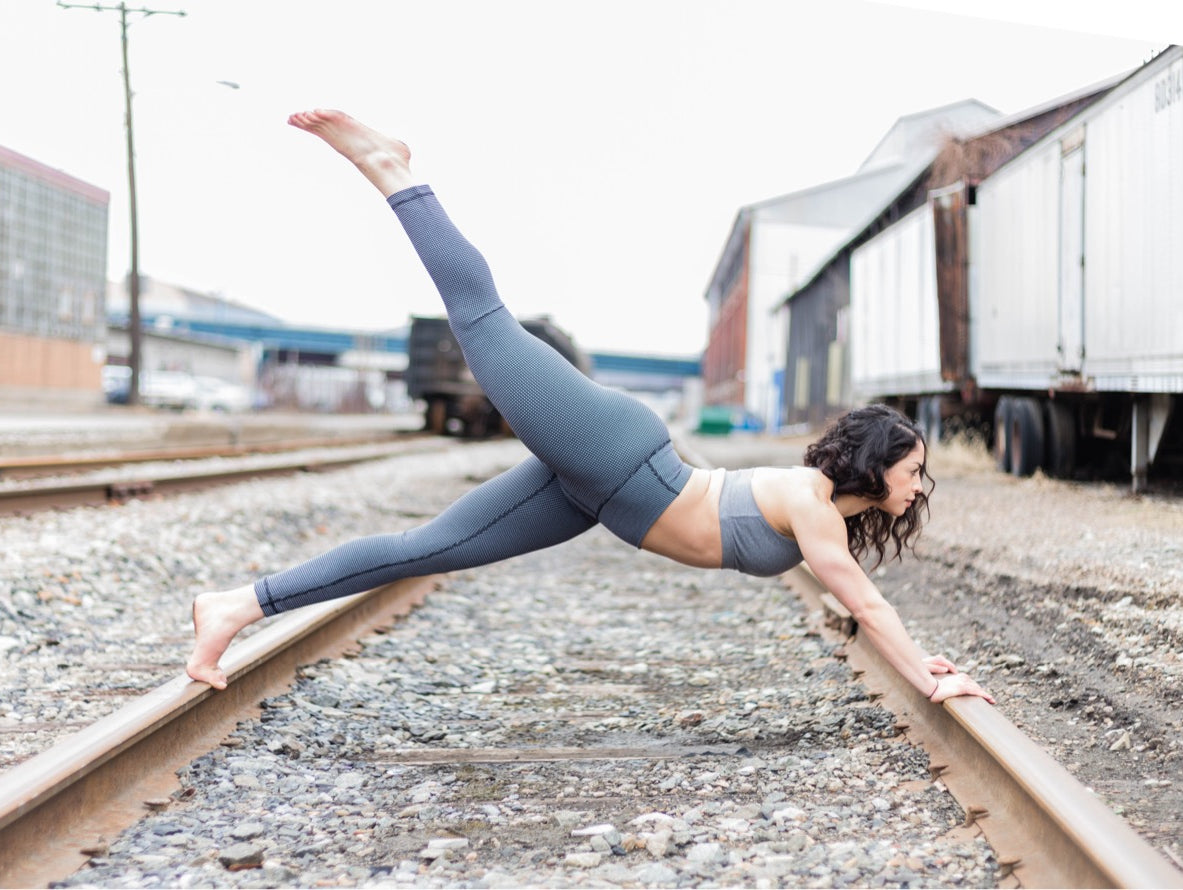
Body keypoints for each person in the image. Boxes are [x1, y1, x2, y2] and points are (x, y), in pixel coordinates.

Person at [186, 109, 993, 707]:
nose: (918, 486)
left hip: (600, 493)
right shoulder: (811, 505)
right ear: (874, 464)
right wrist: (928, 678)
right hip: (615, 455)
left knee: (427, 548)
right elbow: (864, 602)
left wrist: (918, 663)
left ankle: (233, 606)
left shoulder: (825, 512)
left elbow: (867, 604)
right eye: (913, 471)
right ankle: (391, 170)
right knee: (482, 322)